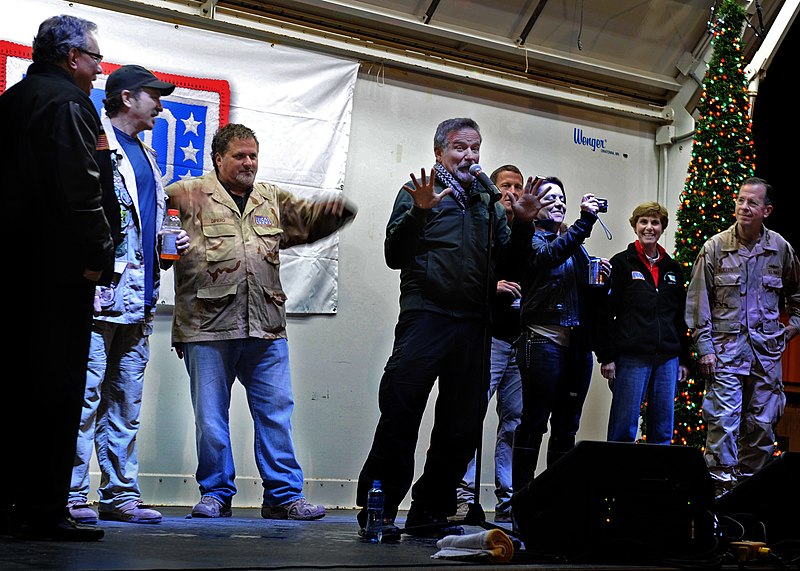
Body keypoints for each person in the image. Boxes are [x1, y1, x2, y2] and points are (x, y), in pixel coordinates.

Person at [355, 118, 543, 541]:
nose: (470, 157)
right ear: (439, 151)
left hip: (475, 324)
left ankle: (430, 509)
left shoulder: (489, 202)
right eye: (460, 148)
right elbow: (393, 254)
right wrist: (421, 214)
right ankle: (378, 510)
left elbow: (511, 265)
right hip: (426, 317)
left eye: (475, 149)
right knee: (400, 414)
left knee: (461, 428)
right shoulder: (415, 193)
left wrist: (525, 223)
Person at [165, 123, 356, 521]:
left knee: (276, 413)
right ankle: (216, 493)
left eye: (253, 155)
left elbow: (305, 223)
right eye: (240, 155)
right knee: (211, 418)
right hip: (207, 325)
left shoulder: (270, 198)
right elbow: (151, 234)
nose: (249, 162)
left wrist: (336, 214)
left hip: (266, 327)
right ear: (219, 158)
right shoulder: (187, 195)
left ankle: (283, 496)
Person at [0, 14, 114, 541]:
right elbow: (80, 187)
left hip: (14, 267)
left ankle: (11, 505)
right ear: (72, 58)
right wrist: (98, 251)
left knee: (14, 387)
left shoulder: (13, 101)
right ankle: (45, 509)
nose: (97, 68)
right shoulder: (70, 105)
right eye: (94, 58)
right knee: (58, 388)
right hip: (57, 269)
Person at [67, 65, 189, 526]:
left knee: (125, 402)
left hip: (138, 303)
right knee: (84, 398)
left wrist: (169, 242)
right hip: (100, 299)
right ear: (124, 98)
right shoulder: (97, 144)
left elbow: (147, 225)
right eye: (152, 96)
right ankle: (73, 494)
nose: (159, 104)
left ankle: (120, 495)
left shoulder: (148, 156)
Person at [685, 177, 800, 496]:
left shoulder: (779, 249)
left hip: (766, 358)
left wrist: (791, 329)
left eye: (751, 202)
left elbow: (796, 293)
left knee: (761, 430)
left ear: (767, 210)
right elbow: (698, 301)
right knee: (722, 426)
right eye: (740, 200)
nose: (743, 207)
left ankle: (750, 504)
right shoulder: (715, 247)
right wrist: (705, 348)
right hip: (725, 356)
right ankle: (721, 507)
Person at [511, 177, 610, 502]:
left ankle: (556, 502)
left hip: (576, 348)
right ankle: (522, 501)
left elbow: (585, 297)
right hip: (542, 341)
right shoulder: (531, 240)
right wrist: (584, 221)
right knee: (534, 421)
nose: (558, 202)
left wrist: (600, 283)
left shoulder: (576, 246)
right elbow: (548, 258)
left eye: (561, 198)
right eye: (549, 198)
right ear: (534, 206)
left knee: (567, 427)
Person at [455, 165, 525, 524]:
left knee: (513, 421)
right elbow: (465, 268)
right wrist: (492, 286)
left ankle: (509, 499)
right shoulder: (483, 224)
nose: (511, 192)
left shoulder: (529, 232)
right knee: (471, 415)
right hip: (489, 337)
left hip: (520, 340)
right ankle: (462, 497)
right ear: (493, 189)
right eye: (505, 185)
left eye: (517, 185)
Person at [596, 202, 689, 445]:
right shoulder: (621, 263)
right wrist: (607, 356)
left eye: (655, 222)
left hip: (667, 359)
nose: (649, 227)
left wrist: (685, 360)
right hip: (631, 357)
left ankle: (656, 481)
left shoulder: (673, 269)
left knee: (662, 431)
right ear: (635, 226)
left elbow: (679, 318)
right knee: (623, 429)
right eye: (643, 222)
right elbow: (605, 312)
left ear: (662, 228)